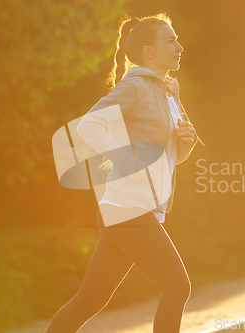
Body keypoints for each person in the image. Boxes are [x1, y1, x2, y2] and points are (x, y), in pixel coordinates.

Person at [44, 13, 204, 333]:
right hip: (128, 206)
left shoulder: (169, 91)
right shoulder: (136, 86)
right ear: (149, 51)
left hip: (137, 206)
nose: (179, 46)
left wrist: (185, 144)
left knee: (90, 300)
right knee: (176, 287)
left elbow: (170, 156)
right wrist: (125, 161)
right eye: (171, 40)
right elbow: (90, 124)